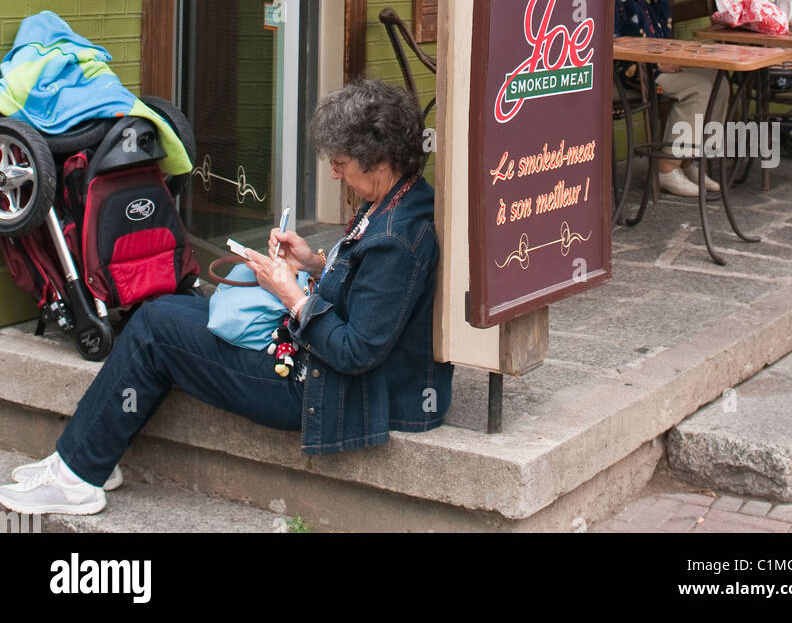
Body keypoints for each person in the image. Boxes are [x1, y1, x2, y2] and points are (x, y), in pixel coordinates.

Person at [0, 79, 453, 516]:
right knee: (161, 312)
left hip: (322, 388)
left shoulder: (396, 239)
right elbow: (366, 290)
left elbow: (356, 351)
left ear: (376, 159)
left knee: (156, 330)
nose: (334, 171)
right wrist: (313, 264)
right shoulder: (401, 200)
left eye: (340, 162)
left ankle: (77, 476)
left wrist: (292, 295)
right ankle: (85, 458)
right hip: (316, 364)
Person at [615, 0, 727, 197]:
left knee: (719, 81)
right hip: (632, 77)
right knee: (699, 88)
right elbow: (611, 46)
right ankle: (667, 167)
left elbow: (662, 36)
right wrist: (654, 65)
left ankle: (690, 159)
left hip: (651, 70)